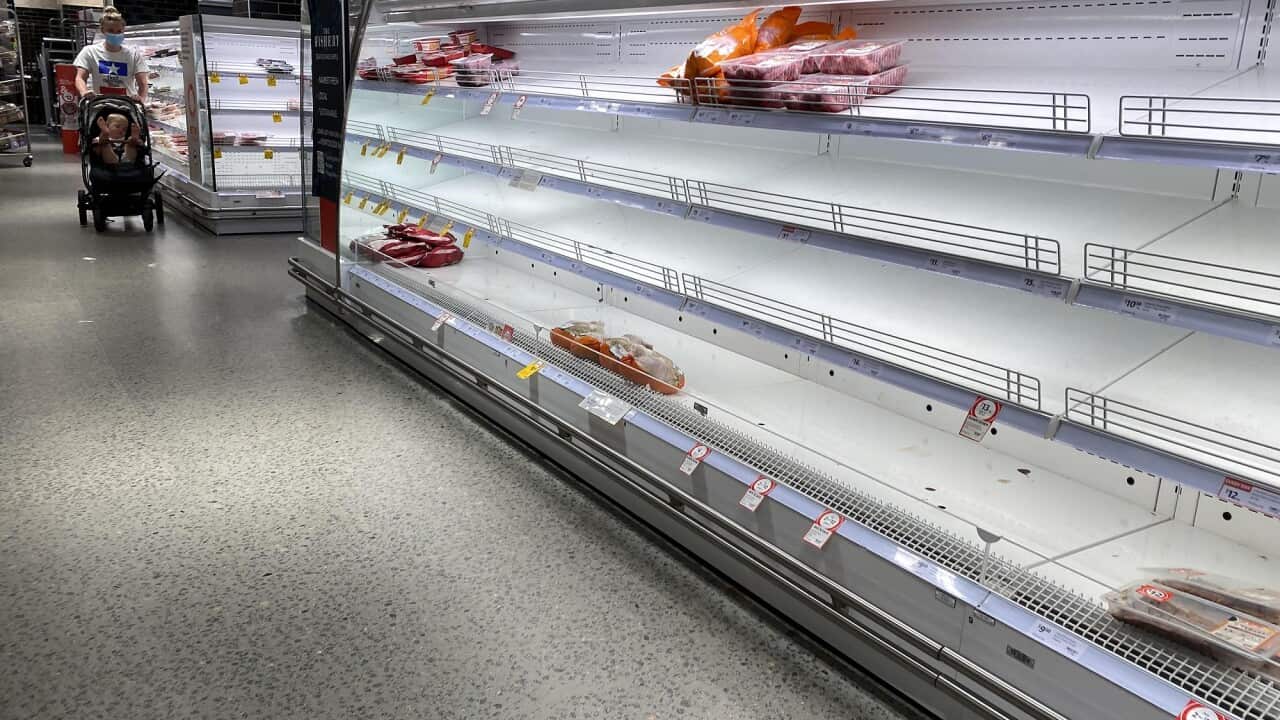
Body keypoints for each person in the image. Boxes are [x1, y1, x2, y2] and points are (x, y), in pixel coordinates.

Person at [73, 6, 149, 103]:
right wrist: (84, 92)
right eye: (111, 31)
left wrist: (140, 101)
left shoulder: (133, 55)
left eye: (119, 31)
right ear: (103, 30)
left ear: (123, 31)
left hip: (127, 106)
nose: (115, 34)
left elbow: (143, 83)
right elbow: (80, 78)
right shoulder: (90, 51)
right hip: (99, 105)